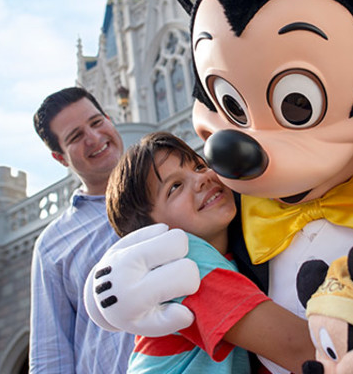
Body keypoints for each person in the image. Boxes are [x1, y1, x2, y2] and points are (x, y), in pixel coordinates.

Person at [104, 131, 314, 373]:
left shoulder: (235, 250)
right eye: (175, 187)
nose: (201, 179)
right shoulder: (182, 261)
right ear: (150, 233)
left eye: (199, 166)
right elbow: (300, 349)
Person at [29, 86, 134, 373]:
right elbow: (50, 353)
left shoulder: (173, 185)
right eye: (76, 137)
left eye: (97, 122)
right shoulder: (52, 244)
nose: (94, 138)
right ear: (60, 158)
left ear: (110, 119)